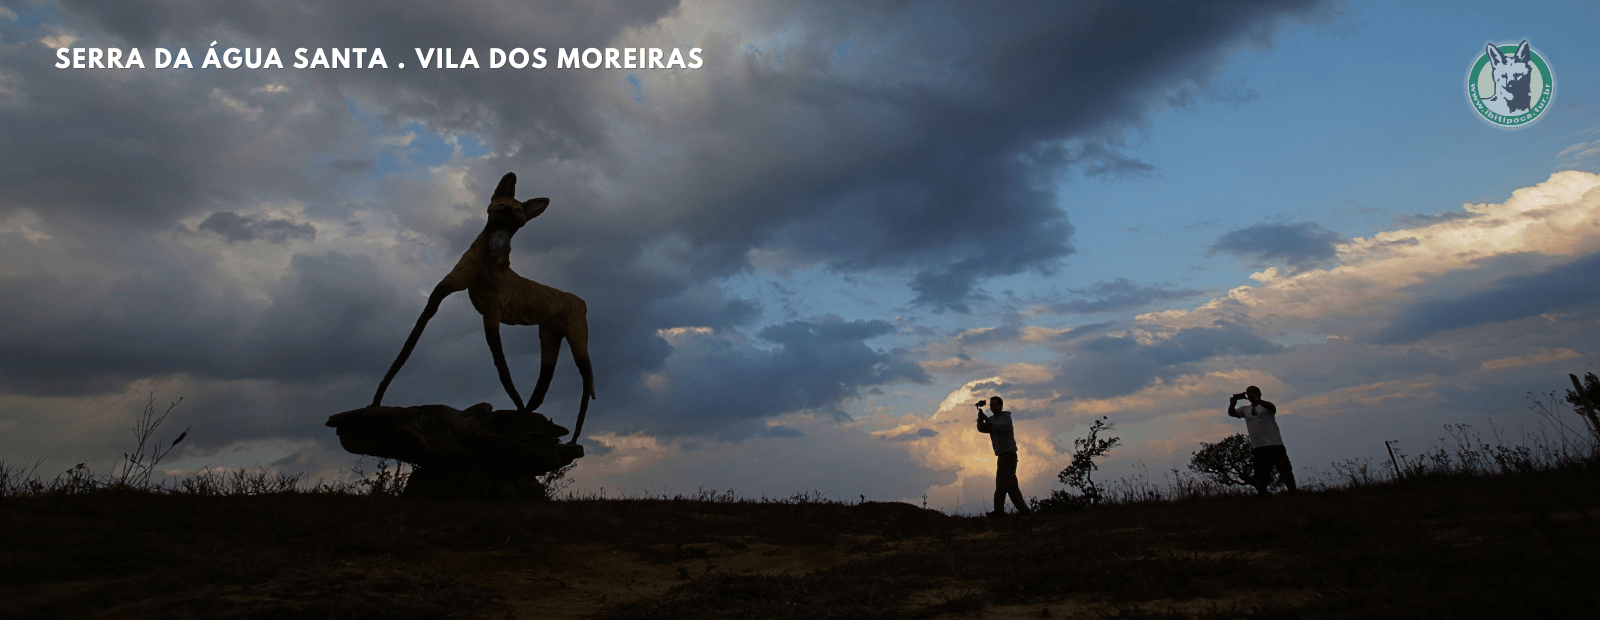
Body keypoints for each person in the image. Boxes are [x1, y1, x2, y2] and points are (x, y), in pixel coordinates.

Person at [1227, 385, 1297, 495]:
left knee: (1285, 471)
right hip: (1259, 447)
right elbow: (1232, 413)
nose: (1250, 395)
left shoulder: (1265, 406)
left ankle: (1293, 492)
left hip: (1275, 445)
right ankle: (1263, 494)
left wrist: (1258, 400)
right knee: (1260, 474)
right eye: (1248, 393)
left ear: (1259, 394)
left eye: (1253, 393)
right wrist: (1232, 404)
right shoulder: (1245, 409)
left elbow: (1273, 408)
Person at [976, 396, 1032, 517]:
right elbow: (982, 429)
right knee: (1012, 487)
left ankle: (999, 511)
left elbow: (998, 427)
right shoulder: (992, 419)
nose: (992, 407)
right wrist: (980, 419)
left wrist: (984, 418)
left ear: (1001, 406)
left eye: (994, 404)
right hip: (1003, 456)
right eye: (991, 405)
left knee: (1001, 484)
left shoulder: (1006, 418)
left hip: (1008, 455)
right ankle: (1024, 511)